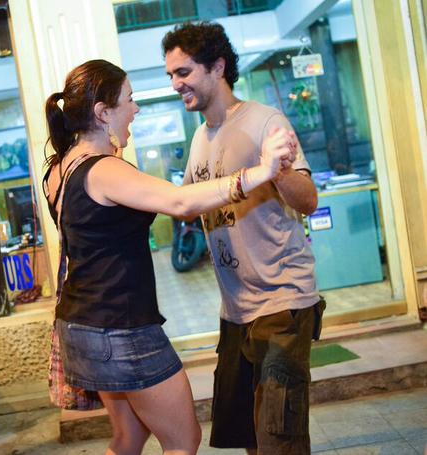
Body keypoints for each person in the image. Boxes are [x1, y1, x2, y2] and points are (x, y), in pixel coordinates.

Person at [43, 59, 298, 455]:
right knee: (183, 441)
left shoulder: (60, 168)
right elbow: (178, 202)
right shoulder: (105, 170)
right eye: (130, 100)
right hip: (121, 328)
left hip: (82, 327)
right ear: (103, 112)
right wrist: (261, 171)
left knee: (129, 437)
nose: (136, 109)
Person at [163, 22, 326, 455]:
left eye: (184, 72)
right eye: (171, 76)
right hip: (235, 311)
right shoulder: (199, 137)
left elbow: (307, 200)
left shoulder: (264, 122)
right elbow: (190, 202)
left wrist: (280, 168)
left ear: (217, 67)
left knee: (279, 439)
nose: (176, 84)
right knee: (250, 437)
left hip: (282, 303)